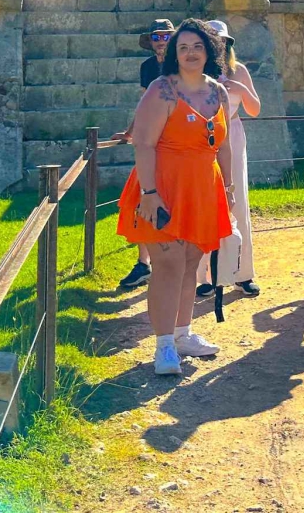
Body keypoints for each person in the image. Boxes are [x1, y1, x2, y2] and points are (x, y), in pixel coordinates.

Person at [116, 20, 235, 375]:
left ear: (209, 50)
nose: (190, 53)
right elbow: (144, 144)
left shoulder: (219, 92)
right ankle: (164, 345)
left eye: (197, 46)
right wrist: (150, 195)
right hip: (163, 187)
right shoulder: (161, 90)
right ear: (174, 54)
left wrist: (226, 189)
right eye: (183, 48)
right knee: (167, 266)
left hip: (202, 187)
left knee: (189, 263)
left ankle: (183, 334)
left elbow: (224, 145)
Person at [195, 20, 262, 299]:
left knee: (238, 203)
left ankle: (242, 274)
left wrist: (239, 88)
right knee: (202, 204)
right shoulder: (195, 73)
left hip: (232, 133)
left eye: (223, 43)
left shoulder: (239, 71)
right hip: (201, 137)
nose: (219, 47)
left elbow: (255, 109)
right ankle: (204, 277)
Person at [115, 18, 176, 291]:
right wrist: (129, 132)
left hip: (177, 142)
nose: (161, 41)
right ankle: (144, 263)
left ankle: (180, 265)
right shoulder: (148, 67)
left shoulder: (182, 64)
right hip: (151, 141)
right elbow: (144, 104)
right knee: (140, 199)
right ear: (150, 40)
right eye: (156, 36)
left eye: (166, 36)